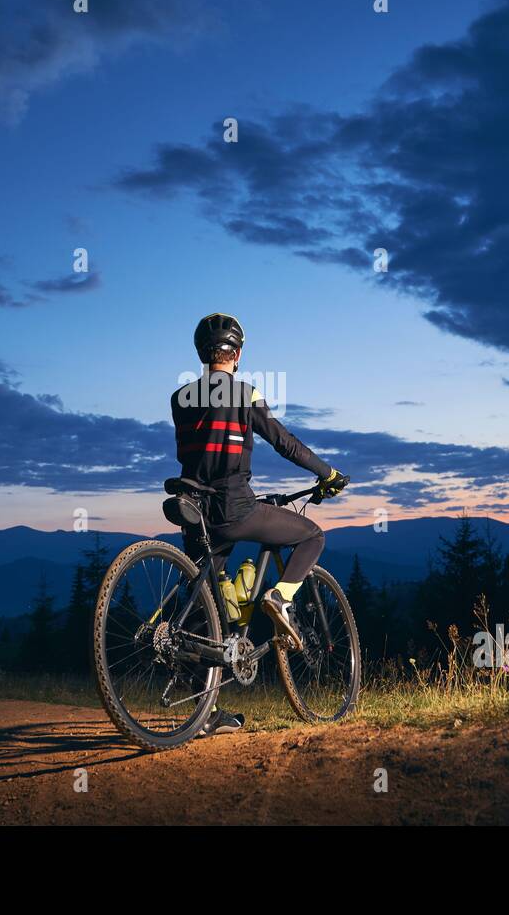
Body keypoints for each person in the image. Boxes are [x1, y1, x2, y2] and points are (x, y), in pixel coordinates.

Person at [171, 313, 348, 735]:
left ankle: (203, 714)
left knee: (205, 604)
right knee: (312, 535)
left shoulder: (179, 399)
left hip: (194, 507)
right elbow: (284, 443)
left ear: (201, 352)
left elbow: (204, 448)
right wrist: (326, 473)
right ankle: (280, 599)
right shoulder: (245, 395)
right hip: (235, 508)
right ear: (239, 353)